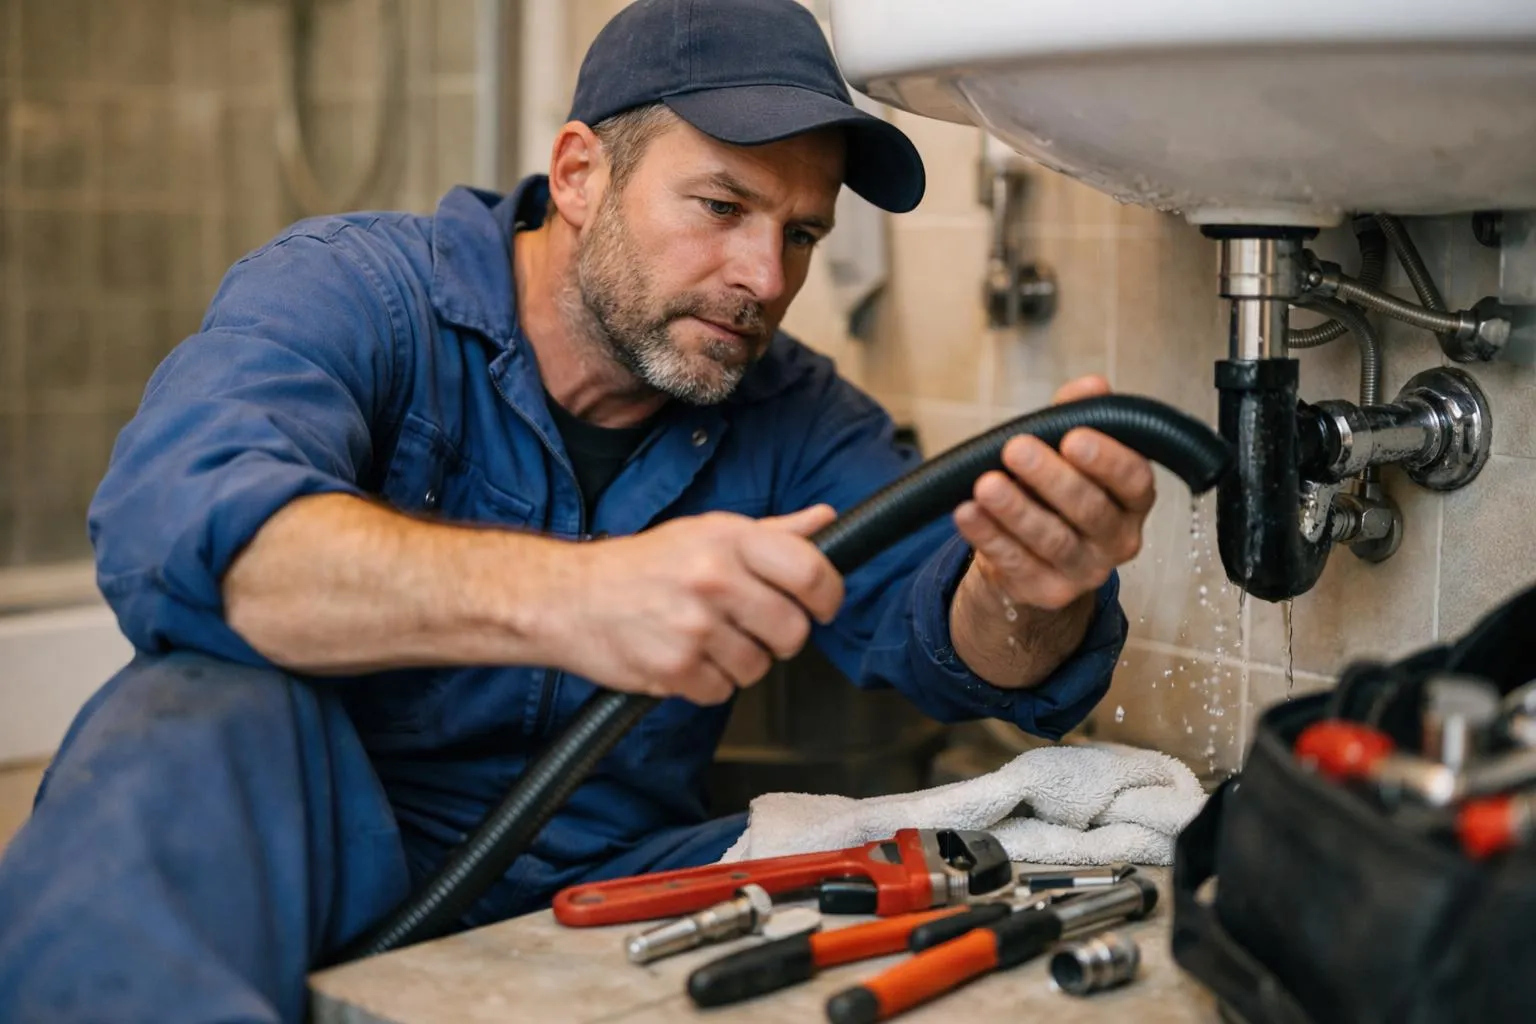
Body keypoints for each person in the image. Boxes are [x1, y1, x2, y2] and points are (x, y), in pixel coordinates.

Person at [0, 0, 1157, 1020]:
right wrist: (578, 596)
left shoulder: (794, 411)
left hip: (612, 896)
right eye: (721, 205)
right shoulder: (357, 295)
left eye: (801, 234)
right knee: (189, 708)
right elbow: (182, 532)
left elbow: (951, 636)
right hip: (320, 861)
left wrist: (1027, 587)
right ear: (578, 175)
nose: (765, 278)